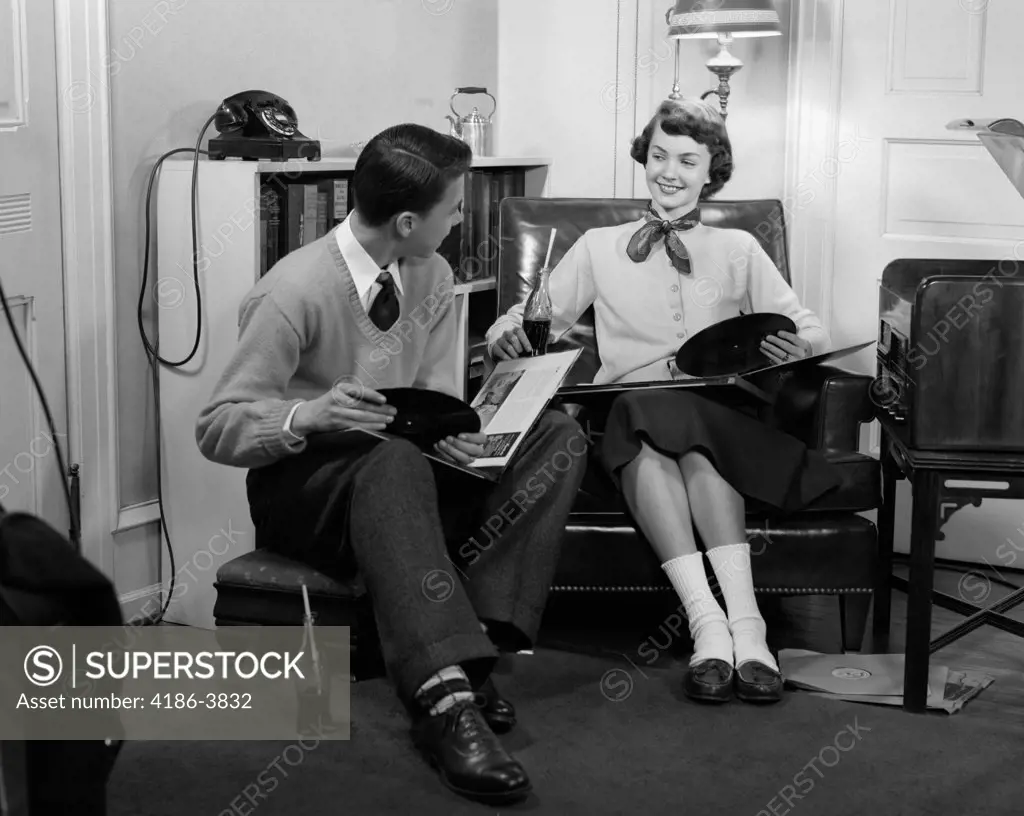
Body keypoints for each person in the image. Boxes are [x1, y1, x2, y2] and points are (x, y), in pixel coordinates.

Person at [195, 123, 587, 805]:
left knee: (556, 436)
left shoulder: (431, 273)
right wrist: (305, 415)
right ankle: (444, 704)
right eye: (456, 208)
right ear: (408, 220)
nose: (463, 217)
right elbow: (218, 427)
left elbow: (433, 396)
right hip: (309, 488)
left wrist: (461, 431)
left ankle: (477, 651)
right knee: (396, 464)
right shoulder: (290, 292)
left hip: (403, 463)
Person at [485, 99, 842, 705]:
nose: (669, 171)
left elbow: (815, 332)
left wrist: (792, 346)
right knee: (646, 414)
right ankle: (721, 625)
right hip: (630, 418)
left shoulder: (738, 249)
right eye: (658, 156)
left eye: (687, 159)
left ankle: (735, 626)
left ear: (711, 171)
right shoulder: (599, 246)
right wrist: (505, 334)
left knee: (678, 426)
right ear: (643, 160)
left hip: (721, 418)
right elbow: (526, 319)